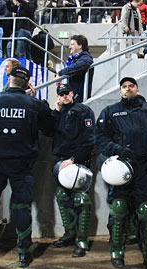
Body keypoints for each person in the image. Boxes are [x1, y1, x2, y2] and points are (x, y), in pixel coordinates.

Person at [0, 66, 55, 269]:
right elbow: (50, 128)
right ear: (27, 84)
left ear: (8, 79)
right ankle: (24, 254)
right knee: (21, 207)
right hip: (22, 164)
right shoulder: (35, 104)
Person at [95, 77, 147, 269]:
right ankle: (116, 251)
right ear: (120, 91)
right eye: (124, 87)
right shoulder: (110, 111)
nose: (128, 89)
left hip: (145, 166)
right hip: (121, 167)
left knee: (146, 209)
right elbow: (100, 138)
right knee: (119, 208)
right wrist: (117, 149)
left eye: (131, 86)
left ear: (137, 89)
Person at [49, 83, 95, 257]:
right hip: (61, 161)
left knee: (81, 199)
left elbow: (89, 140)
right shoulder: (58, 113)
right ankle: (69, 233)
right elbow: (47, 131)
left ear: (72, 93)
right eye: (61, 94)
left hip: (79, 160)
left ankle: (82, 240)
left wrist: (73, 159)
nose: (64, 96)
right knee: (62, 196)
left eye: (67, 93)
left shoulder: (84, 111)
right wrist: (56, 112)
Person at [56, 35, 94, 102]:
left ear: (80, 46)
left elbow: (81, 65)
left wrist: (61, 73)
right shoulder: (72, 59)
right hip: (70, 96)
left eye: (72, 44)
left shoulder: (86, 57)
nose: (69, 47)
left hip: (78, 97)